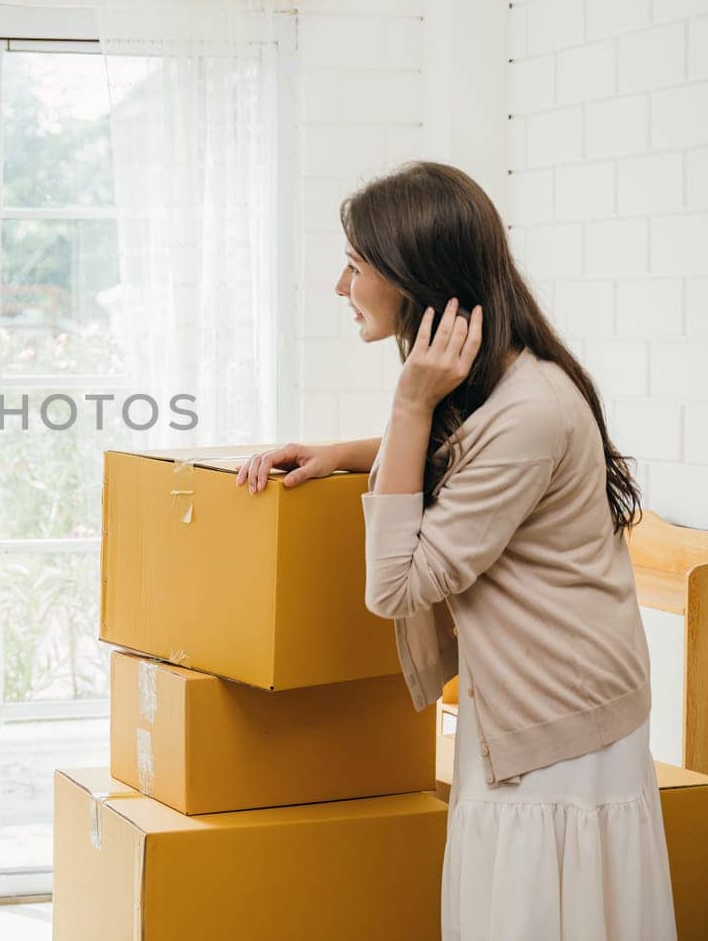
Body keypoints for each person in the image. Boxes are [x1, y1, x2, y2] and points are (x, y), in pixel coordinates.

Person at [235, 162, 676, 939]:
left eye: (357, 264)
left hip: (562, 717)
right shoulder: (503, 390)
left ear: (415, 277)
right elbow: (469, 452)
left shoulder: (530, 408)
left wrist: (410, 398)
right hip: (535, 698)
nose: (343, 286)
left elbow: (397, 584)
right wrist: (343, 452)